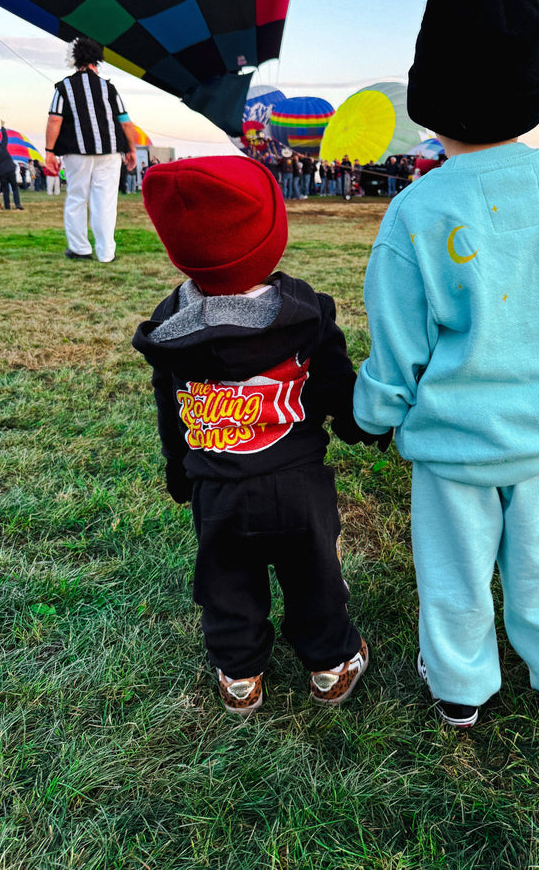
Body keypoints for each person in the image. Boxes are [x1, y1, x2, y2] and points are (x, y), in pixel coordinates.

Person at [353, 0, 539, 729]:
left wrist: (372, 412)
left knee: (455, 574)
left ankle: (461, 687)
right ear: (534, 88)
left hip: (452, 447)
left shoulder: (416, 211)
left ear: (428, 87)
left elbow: (399, 347)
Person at [132, 155, 389, 715]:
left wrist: (179, 469)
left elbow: (170, 410)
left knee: (225, 580)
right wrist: (358, 424)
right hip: (297, 485)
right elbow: (332, 385)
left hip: (216, 486)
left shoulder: (171, 328)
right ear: (272, 236)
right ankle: (330, 664)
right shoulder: (305, 313)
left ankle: (240, 674)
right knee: (315, 572)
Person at [45, 37, 136, 262]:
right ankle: (106, 253)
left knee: (77, 198)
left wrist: (49, 151)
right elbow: (125, 122)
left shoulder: (64, 86)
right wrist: (132, 149)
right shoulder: (109, 87)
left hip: (76, 152)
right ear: (97, 59)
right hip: (110, 151)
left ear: (75, 60)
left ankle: (80, 249)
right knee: (105, 201)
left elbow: (54, 120)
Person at [0, 124, 23, 210]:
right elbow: (5, 138)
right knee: (14, 188)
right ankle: (17, 204)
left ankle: (7, 206)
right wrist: (3, 129)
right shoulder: (2, 146)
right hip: (10, 169)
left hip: (1, 173)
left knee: (5, 190)